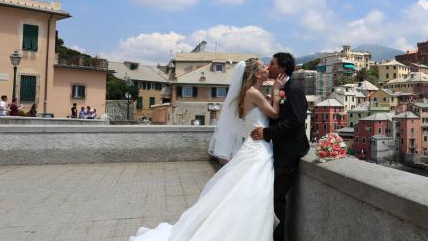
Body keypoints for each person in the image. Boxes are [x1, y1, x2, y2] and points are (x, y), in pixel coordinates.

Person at [130, 58, 283, 241]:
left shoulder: (250, 92)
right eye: (263, 67)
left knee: (246, 191)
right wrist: (276, 91)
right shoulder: (254, 93)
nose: (267, 68)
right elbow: (274, 114)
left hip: (255, 146)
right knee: (254, 192)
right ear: (257, 74)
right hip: (258, 150)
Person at [250, 52, 309, 241]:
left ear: (282, 68)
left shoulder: (294, 88)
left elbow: (297, 120)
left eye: (273, 63)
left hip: (289, 153)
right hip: (279, 151)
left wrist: (268, 133)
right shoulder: (282, 88)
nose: (269, 67)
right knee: (272, 198)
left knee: (276, 199)